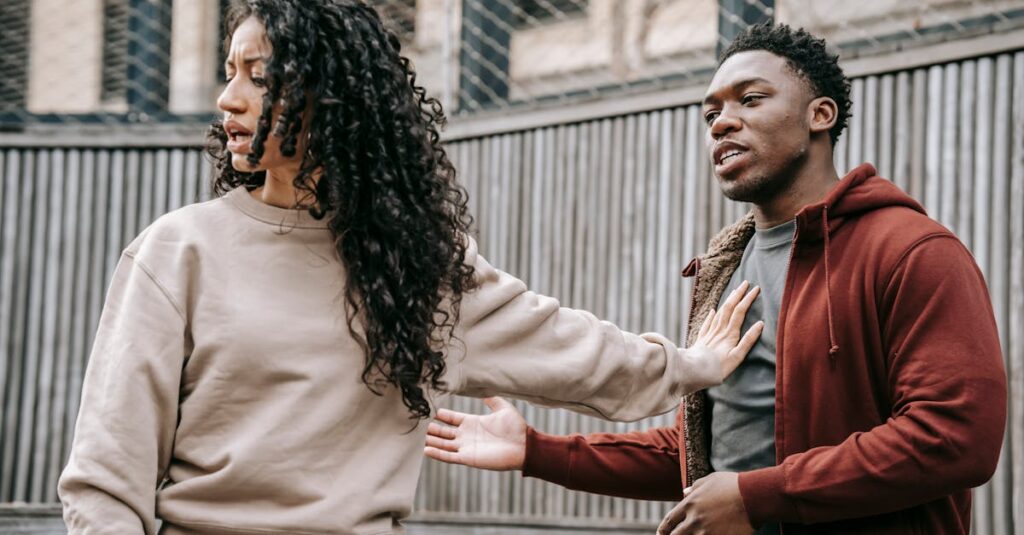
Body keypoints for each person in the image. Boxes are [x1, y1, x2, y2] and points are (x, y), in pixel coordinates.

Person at [56, 1, 764, 534]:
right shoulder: (177, 252)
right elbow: (103, 484)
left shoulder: (414, 268)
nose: (227, 98)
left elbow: (570, 347)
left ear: (331, 97)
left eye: (258, 76)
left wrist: (691, 364)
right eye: (228, 73)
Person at [425, 22, 1007, 535]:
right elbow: (698, 452)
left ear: (819, 116)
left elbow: (955, 438)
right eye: (710, 114)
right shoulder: (726, 267)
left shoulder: (911, 250)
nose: (723, 122)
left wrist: (756, 497)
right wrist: (536, 451)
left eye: (750, 100)